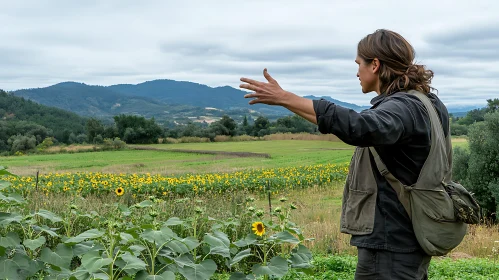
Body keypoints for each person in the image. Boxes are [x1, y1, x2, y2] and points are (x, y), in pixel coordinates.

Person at [239, 29, 448, 279]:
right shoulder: (426, 103)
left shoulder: (402, 107)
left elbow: (359, 127)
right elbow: (350, 125)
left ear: (375, 65)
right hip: (407, 236)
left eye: (359, 64)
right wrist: (286, 102)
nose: (357, 71)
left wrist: (286, 97)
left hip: (391, 243)